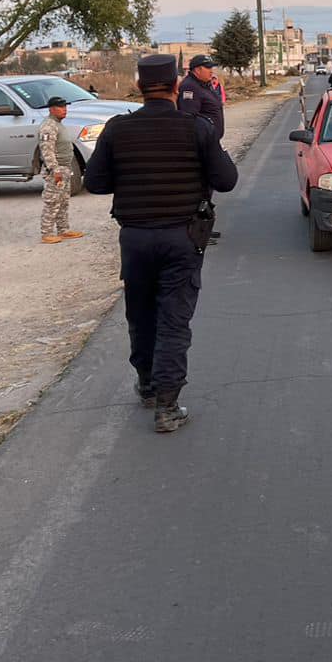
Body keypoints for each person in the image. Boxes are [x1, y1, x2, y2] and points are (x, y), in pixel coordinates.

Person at [84, 55, 238, 433]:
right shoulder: (197, 129)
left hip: (135, 238)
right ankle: (167, 407)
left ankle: (148, 384)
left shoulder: (118, 130)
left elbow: (96, 183)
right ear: (175, 87)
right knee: (174, 319)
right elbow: (227, 179)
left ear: (139, 88)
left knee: (140, 313)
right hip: (182, 237)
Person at [37, 97, 85, 244]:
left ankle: (63, 229)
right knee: (52, 201)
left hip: (65, 168)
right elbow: (47, 150)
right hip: (56, 169)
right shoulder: (48, 126)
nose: (64, 109)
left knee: (63, 201)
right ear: (51, 109)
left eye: (65, 106)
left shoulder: (58, 125)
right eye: (60, 107)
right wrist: (54, 169)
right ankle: (47, 233)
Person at [177, 54, 226, 141]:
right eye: (208, 68)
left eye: (211, 68)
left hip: (211, 140)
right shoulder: (189, 87)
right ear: (197, 70)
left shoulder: (204, 84)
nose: (211, 71)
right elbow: (190, 117)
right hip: (202, 142)